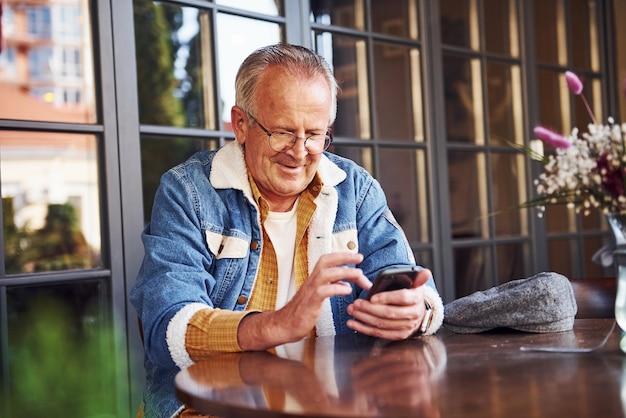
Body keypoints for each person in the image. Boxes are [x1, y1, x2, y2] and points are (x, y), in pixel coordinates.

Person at [130, 42, 444, 418]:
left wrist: (416, 311)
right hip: (213, 408)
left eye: (315, 134)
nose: (299, 152)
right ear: (241, 124)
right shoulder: (188, 192)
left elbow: (417, 289)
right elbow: (165, 328)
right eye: (282, 132)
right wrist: (277, 325)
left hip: (335, 403)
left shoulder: (354, 190)